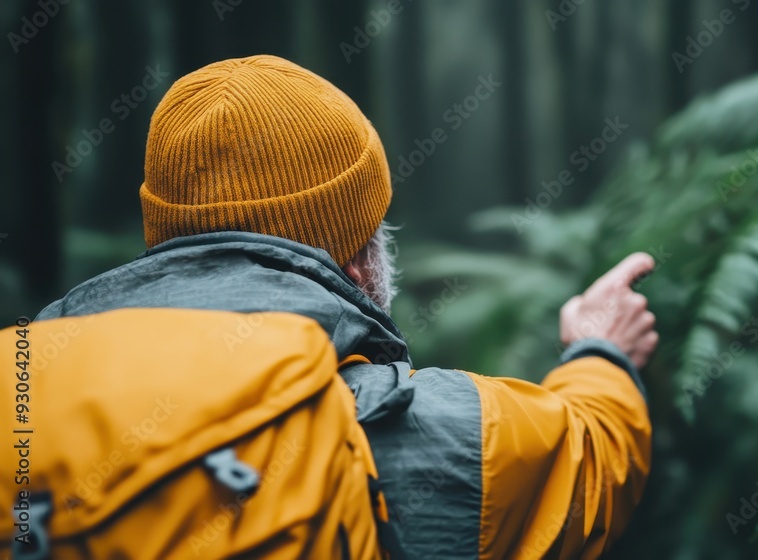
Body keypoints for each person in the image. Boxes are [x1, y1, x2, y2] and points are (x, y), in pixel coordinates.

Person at [34, 55, 657, 558]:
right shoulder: (430, 435)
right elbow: (588, 461)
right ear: (358, 262)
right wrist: (600, 350)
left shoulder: (26, 400)